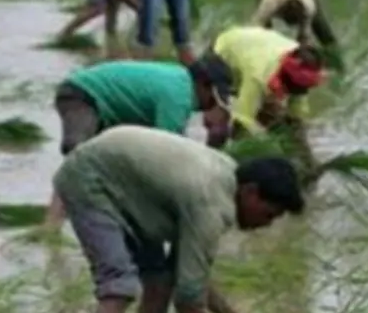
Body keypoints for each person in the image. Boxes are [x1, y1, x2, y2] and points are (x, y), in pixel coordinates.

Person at [51, 126, 305, 313]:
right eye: (268, 214)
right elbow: (188, 301)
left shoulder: (225, 180)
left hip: (130, 186)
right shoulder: (210, 205)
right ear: (250, 192)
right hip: (90, 178)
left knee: (160, 281)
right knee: (118, 286)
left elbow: (189, 273)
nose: (265, 225)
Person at [44, 59, 231, 228]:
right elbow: (166, 153)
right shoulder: (179, 96)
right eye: (214, 97)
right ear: (204, 85)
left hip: (106, 105)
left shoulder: (180, 82)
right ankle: (52, 225)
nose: (213, 103)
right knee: (78, 161)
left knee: (102, 166)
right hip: (83, 94)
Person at [200, 25, 325, 169]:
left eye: (299, 89)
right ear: (285, 76)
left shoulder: (301, 76)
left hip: (255, 51)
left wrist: (308, 161)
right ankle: (209, 165)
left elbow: (295, 123)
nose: (294, 93)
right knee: (219, 125)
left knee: (278, 123)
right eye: (292, 88)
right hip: (222, 54)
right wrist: (261, 152)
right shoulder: (258, 74)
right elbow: (241, 124)